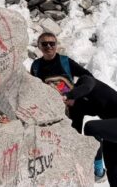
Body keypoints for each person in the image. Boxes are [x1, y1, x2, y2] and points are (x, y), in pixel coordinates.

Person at [30, 33, 104, 181]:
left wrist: (76, 94)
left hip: (75, 108)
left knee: (81, 136)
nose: (49, 47)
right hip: (53, 111)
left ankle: (98, 169)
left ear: (56, 45)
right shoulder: (36, 66)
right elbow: (34, 88)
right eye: (44, 44)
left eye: (52, 43)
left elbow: (87, 77)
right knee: (61, 142)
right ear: (39, 46)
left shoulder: (65, 61)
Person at [64, 76, 117, 187]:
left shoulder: (85, 80)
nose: (67, 102)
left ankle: (98, 167)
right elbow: (76, 132)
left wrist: (68, 95)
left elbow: (87, 87)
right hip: (114, 132)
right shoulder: (77, 106)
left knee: (91, 127)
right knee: (115, 179)